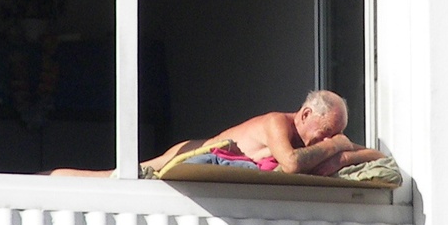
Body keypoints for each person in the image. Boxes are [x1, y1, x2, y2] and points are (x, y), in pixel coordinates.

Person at [49, 89, 382, 178]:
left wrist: (345, 153)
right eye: (325, 133)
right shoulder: (277, 123)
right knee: (115, 177)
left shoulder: (316, 140)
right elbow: (292, 165)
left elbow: (378, 155)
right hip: (193, 152)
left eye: (333, 136)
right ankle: (47, 177)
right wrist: (336, 148)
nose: (326, 141)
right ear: (305, 114)